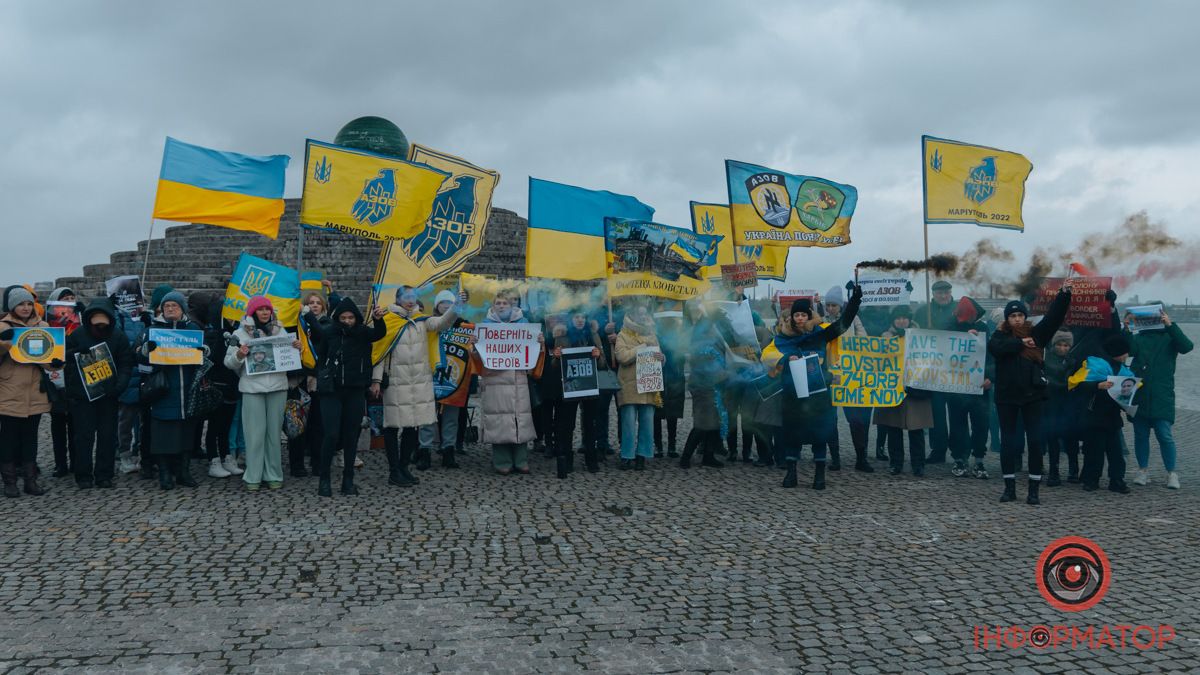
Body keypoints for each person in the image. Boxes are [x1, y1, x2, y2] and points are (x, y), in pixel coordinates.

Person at [762, 285, 863, 489]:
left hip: (819, 393)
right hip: (793, 395)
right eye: (796, 315)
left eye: (803, 314)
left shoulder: (821, 334)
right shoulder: (783, 338)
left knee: (820, 433)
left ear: (809, 316)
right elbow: (766, 355)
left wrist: (853, 302)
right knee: (792, 433)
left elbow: (843, 325)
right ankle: (791, 475)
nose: (800, 318)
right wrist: (784, 357)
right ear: (792, 317)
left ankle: (819, 476)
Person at [987, 286, 1071, 505]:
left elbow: (1054, 318)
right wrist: (1019, 343)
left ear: (1025, 317)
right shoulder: (1000, 334)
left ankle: (1033, 490)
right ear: (1007, 318)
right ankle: (1009, 488)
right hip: (1006, 397)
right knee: (1008, 442)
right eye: (1013, 316)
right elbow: (995, 348)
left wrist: (1064, 295)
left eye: (1020, 315)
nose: (1016, 319)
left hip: (1032, 395)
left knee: (1034, 441)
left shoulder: (1036, 333)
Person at [374, 286, 463, 487]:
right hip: (397, 381)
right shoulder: (388, 320)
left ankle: (404, 467)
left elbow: (442, 323)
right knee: (392, 425)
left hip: (419, 381)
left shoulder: (422, 321)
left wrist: (456, 305)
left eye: (413, 296)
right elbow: (380, 353)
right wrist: (376, 381)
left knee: (413, 426)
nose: (410, 300)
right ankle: (394, 470)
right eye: (406, 297)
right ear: (398, 299)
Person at [309, 297, 388, 497]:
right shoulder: (330, 333)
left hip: (354, 390)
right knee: (331, 434)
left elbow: (379, 334)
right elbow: (322, 357)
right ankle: (324, 480)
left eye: (351, 317)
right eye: (343, 317)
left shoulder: (362, 333)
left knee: (351, 436)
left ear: (356, 317)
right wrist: (323, 376)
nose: (347, 321)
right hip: (332, 391)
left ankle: (348, 480)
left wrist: (378, 319)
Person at [225, 296, 297, 491]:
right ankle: (253, 475)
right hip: (252, 388)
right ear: (252, 312)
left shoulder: (280, 331)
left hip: (277, 387)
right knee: (254, 434)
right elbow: (228, 363)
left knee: (273, 434)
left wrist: (296, 350)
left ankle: (273, 473)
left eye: (267, 309)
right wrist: (240, 354)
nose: (265, 312)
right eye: (260, 309)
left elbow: (290, 360)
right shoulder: (239, 333)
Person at [135, 290, 205, 491]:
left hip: (187, 389)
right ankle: (165, 473)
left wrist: (204, 351)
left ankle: (183, 471)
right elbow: (138, 357)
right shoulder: (153, 330)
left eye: (174, 305)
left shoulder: (192, 329)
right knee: (163, 435)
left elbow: (205, 355)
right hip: (163, 390)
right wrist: (146, 350)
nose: (170, 309)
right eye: (166, 306)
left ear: (182, 308)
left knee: (186, 433)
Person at [63, 299, 134, 489]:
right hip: (82, 396)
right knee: (83, 437)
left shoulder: (118, 337)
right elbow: (62, 358)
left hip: (108, 395)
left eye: (103, 323)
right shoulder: (78, 334)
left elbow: (126, 363)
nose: (100, 326)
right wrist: (75, 352)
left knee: (107, 436)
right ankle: (83, 475)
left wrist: (119, 387)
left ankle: (104, 474)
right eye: (96, 323)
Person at [474, 291, 545, 474]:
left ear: (512, 305)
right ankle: (502, 461)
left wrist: (540, 343)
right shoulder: (485, 326)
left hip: (518, 380)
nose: (502, 305)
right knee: (499, 420)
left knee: (520, 420)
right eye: (498, 302)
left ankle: (521, 460)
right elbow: (477, 359)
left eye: (505, 302)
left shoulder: (524, 324)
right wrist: (473, 346)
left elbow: (534, 356)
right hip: (495, 380)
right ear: (493, 306)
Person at [1127, 307, 1193, 489]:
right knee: (1140, 435)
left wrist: (1170, 325)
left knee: (1165, 435)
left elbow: (1187, 347)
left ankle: (1172, 473)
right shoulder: (1139, 337)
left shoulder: (1170, 335)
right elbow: (1128, 351)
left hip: (1162, 395)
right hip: (1139, 393)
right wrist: (1126, 327)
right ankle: (1142, 470)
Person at [0, 286, 55, 497]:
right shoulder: (2, 326)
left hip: (35, 390)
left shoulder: (44, 326)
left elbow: (49, 360)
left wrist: (56, 363)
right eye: (21, 304)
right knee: (8, 438)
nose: (25, 307)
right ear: (13, 306)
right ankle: (10, 482)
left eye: (29, 304)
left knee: (31, 438)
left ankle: (31, 481)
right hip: (9, 389)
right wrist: (4, 345)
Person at [1071, 334, 1135, 494]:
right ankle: (1091, 479)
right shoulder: (1095, 365)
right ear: (1117, 352)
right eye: (1125, 353)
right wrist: (1097, 385)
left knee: (1116, 452)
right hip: (1095, 416)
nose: (1127, 356)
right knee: (1095, 450)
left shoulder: (1124, 370)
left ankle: (1117, 480)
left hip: (1113, 416)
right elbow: (1078, 385)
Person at [547, 308, 606, 477]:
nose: (580, 320)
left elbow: (603, 364)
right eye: (576, 317)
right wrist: (557, 356)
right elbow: (554, 366)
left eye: (583, 317)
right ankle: (567, 459)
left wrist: (598, 354)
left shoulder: (593, 335)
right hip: (570, 388)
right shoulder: (562, 336)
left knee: (590, 424)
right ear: (571, 319)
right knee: (567, 425)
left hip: (590, 386)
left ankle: (591, 459)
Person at [873, 305, 932, 476]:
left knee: (916, 429)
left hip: (915, 387)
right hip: (893, 387)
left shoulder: (921, 337)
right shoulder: (886, 337)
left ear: (909, 319)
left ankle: (918, 464)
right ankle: (896, 462)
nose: (901, 321)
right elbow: (877, 360)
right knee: (893, 429)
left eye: (904, 318)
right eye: (898, 318)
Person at [190, 292, 241, 480]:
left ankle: (226, 456)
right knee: (215, 425)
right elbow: (212, 358)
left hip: (232, 383)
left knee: (226, 424)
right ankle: (213, 459)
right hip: (217, 383)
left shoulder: (236, 330)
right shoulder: (212, 333)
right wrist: (223, 340)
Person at [824, 284, 874, 472]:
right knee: (830, 419)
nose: (830, 309)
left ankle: (861, 457)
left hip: (851, 377)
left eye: (833, 306)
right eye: (828, 305)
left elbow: (865, 341)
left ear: (840, 306)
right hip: (831, 377)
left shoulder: (854, 321)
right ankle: (835, 458)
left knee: (857, 420)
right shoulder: (821, 322)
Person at [425, 290, 477, 470]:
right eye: (442, 302)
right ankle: (424, 450)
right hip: (430, 377)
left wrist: (474, 342)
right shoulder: (428, 324)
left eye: (450, 302)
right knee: (427, 416)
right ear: (436, 306)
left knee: (452, 417)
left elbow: (473, 352)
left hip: (455, 379)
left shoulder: (466, 327)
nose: (446, 305)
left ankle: (448, 450)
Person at [614, 302, 664, 471]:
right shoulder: (623, 334)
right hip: (629, 385)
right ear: (633, 316)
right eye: (640, 314)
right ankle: (627, 456)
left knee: (647, 422)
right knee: (628, 422)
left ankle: (642, 455)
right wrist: (641, 348)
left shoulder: (652, 334)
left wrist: (661, 358)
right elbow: (622, 356)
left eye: (645, 314)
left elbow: (659, 355)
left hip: (648, 384)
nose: (643, 317)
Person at [947, 297, 992, 479]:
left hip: (980, 385)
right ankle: (959, 458)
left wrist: (991, 377)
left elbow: (991, 355)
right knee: (958, 425)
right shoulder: (948, 327)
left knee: (981, 424)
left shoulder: (984, 329)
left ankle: (978, 459)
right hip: (956, 386)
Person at [677, 301, 726, 470]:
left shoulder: (713, 329)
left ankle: (708, 456)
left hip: (714, 382)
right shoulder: (703, 330)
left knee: (715, 423)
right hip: (703, 382)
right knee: (702, 423)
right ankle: (685, 457)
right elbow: (702, 356)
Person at [916, 279, 957, 464]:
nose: (943, 295)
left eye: (946, 292)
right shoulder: (923, 311)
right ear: (933, 294)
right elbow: (913, 331)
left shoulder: (959, 309)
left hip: (956, 371)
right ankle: (938, 449)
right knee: (937, 414)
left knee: (957, 414)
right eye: (939, 292)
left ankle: (958, 452)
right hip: (933, 370)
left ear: (950, 293)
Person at [46, 287, 82, 477]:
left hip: (75, 378)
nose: (68, 302)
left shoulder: (79, 322)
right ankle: (60, 463)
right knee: (58, 425)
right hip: (56, 378)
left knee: (75, 425)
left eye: (71, 298)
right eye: (64, 299)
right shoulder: (49, 325)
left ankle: (76, 462)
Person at [1042, 331, 1079, 485]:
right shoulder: (1045, 359)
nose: (1062, 348)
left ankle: (1073, 469)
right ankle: (1054, 471)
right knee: (1052, 439)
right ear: (1054, 344)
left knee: (1071, 439)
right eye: (1059, 344)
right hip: (1051, 404)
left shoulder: (1073, 361)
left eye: (1066, 345)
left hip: (1068, 405)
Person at [653, 304, 686, 459]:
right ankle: (658, 445)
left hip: (674, 376)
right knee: (657, 413)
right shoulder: (654, 331)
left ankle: (671, 445)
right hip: (658, 375)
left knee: (672, 413)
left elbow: (682, 356)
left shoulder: (679, 332)